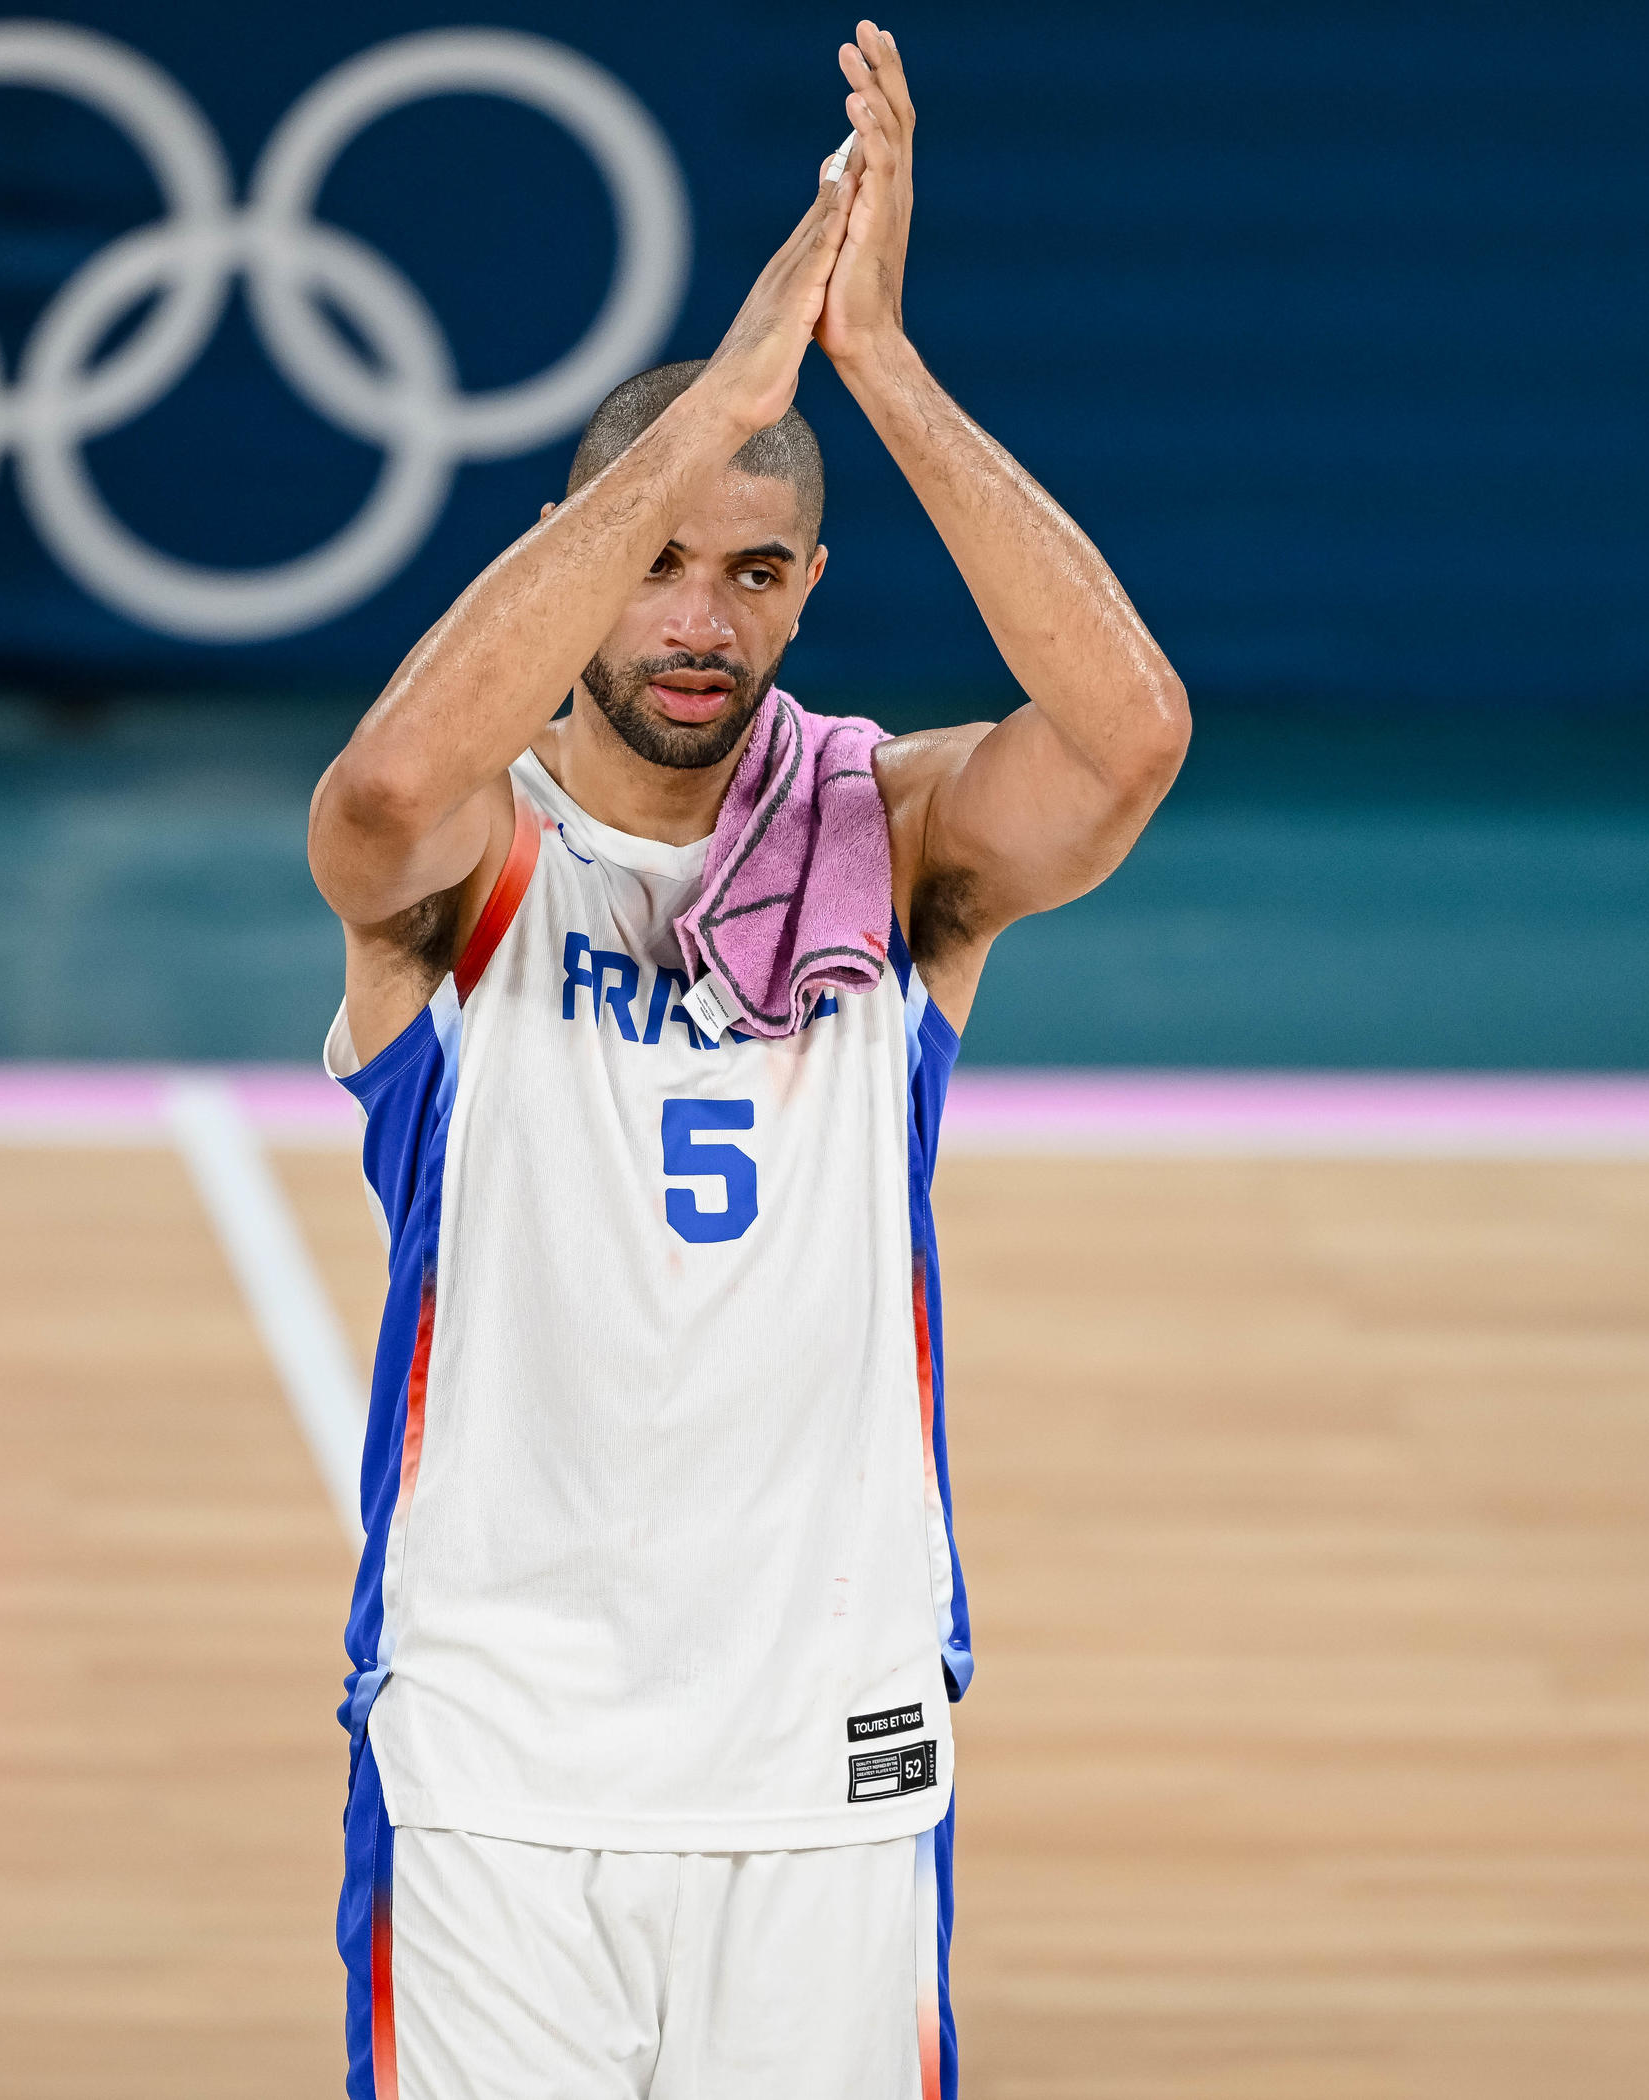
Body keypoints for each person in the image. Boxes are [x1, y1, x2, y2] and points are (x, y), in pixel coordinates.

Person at [306, 22, 1188, 2098]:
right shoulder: (473, 863)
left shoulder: (886, 842)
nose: (698, 619)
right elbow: (372, 790)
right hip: (497, 1759)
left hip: (822, 1753)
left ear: (804, 596)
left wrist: (869, 364)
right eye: (659, 564)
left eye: (754, 571)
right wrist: (711, 408)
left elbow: (1127, 739)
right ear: (592, 554)